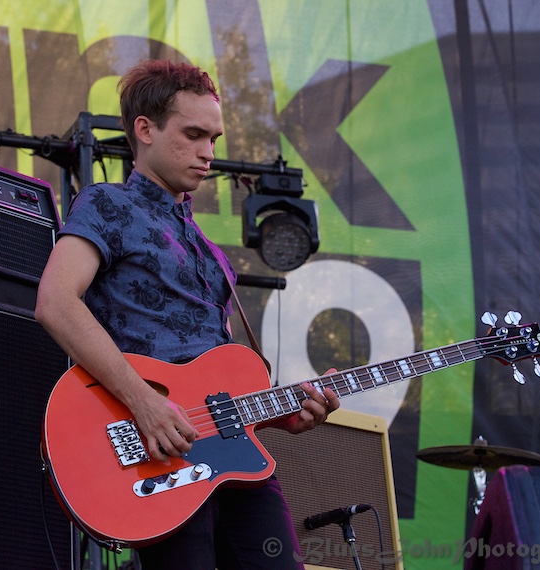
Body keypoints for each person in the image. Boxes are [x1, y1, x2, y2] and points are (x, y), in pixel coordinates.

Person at [35, 59, 340, 569]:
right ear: (145, 129)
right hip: (153, 447)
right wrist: (144, 403)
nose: (207, 153)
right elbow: (55, 301)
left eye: (215, 138)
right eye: (194, 134)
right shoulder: (107, 205)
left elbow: (216, 384)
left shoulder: (206, 247)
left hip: (230, 456)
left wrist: (277, 414)